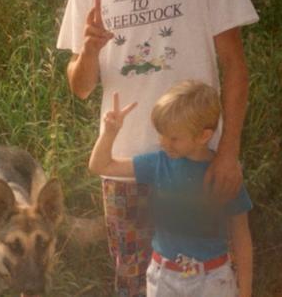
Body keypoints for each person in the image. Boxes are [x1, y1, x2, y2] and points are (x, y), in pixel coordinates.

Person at [57, 0, 258, 296]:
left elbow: (235, 68)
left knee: (208, 279)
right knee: (134, 284)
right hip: (125, 168)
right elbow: (81, 87)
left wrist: (228, 152)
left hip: (197, 163)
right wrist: (89, 49)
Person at [88, 80, 253, 297]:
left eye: (173, 138)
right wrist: (110, 132)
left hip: (213, 280)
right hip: (164, 278)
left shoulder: (223, 175)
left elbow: (242, 237)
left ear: (204, 136)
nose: (164, 143)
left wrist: (246, 290)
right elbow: (100, 166)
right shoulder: (158, 163)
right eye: (161, 134)